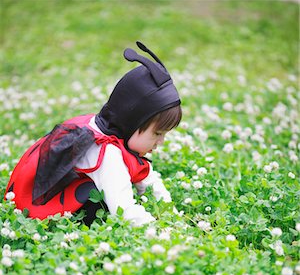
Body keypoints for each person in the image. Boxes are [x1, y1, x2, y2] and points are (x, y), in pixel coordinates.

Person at [5, 41, 182, 227]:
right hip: (35, 207)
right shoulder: (107, 152)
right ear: (132, 122)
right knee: (98, 202)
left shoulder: (110, 127)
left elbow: (146, 178)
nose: (161, 141)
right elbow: (125, 212)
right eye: (157, 133)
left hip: (39, 189)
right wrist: (162, 229)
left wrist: (171, 212)